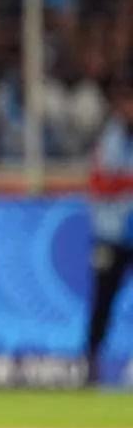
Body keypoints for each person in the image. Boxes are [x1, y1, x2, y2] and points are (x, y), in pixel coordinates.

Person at [85, 77, 133, 385]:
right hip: (112, 234)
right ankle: (89, 362)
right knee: (103, 298)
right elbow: (99, 183)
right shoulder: (110, 139)